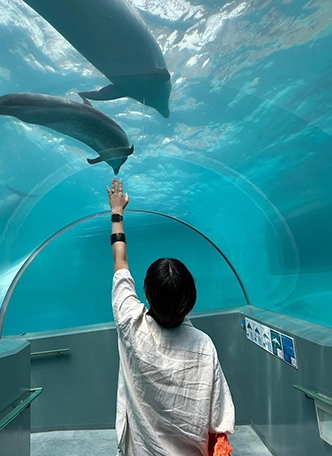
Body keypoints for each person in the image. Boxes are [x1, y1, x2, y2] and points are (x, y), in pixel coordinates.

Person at [107, 177, 235, 456]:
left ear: (146, 293)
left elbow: (120, 263)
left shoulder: (131, 325)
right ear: (190, 300)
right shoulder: (203, 346)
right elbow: (218, 420)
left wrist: (117, 212)